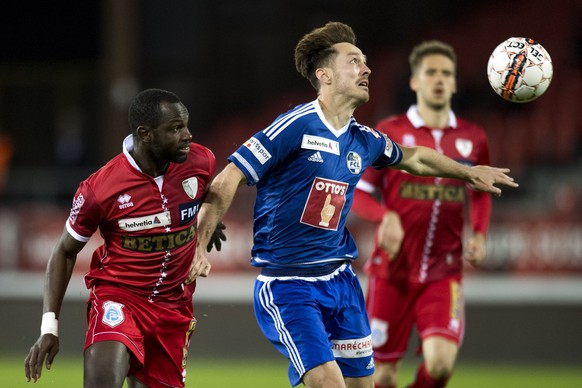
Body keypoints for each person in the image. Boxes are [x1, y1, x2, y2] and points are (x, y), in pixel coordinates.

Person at [186, 22, 517, 388]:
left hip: (342, 283)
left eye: (365, 61)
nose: (367, 69)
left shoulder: (364, 139)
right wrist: (199, 246)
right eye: (354, 61)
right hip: (290, 285)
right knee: (329, 384)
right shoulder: (296, 125)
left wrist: (467, 173)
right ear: (325, 75)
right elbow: (229, 176)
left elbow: (416, 158)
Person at [24, 88, 221, 387]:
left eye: (187, 125)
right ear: (146, 134)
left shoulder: (201, 161)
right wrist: (49, 327)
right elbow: (64, 251)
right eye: (176, 128)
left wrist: (210, 223)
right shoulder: (100, 189)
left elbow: (208, 196)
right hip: (121, 299)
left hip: (174, 308)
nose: (188, 135)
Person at [351, 40, 491, 388]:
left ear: (456, 83)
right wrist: (385, 216)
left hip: (444, 272)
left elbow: (481, 190)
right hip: (392, 271)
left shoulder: (473, 138)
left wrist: (479, 233)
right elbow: (359, 192)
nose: (439, 79)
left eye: (446, 73)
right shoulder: (391, 131)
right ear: (414, 82)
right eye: (431, 72)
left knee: (441, 365)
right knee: (381, 377)